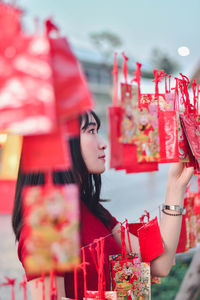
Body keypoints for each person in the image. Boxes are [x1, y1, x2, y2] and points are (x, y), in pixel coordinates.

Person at [12, 110, 194, 299]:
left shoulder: (94, 212)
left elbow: (160, 264)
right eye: (91, 131)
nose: (103, 144)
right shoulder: (46, 222)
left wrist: (175, 187)